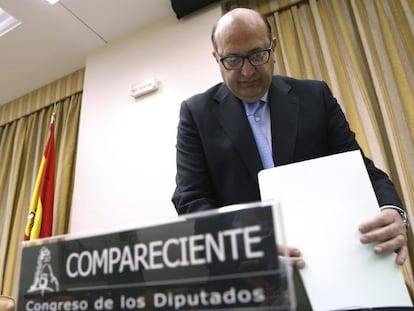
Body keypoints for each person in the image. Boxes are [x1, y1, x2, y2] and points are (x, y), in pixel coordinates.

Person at [172, 8, 409, 267]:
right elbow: (191, 200)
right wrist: (243, 242)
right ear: (216, 58)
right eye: (233, 60)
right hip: (251, 274)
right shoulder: (196, 114)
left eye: (257, 55)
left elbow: (361, 171)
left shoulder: (315, 96)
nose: (248, 71)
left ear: (273, 48)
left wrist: (393, 211)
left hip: (334, 257)